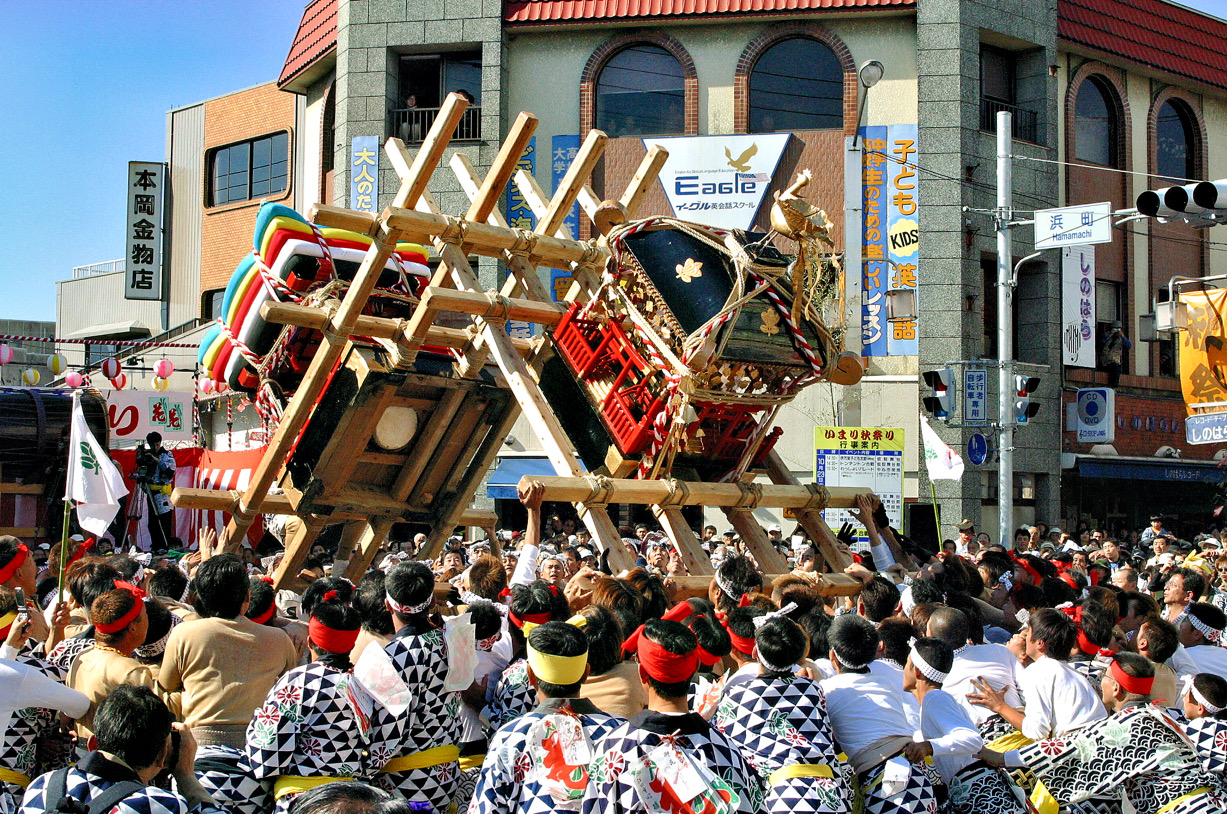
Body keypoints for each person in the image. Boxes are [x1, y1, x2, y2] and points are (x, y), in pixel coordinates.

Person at [986, 653, 1227, 814]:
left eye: (1105, 677)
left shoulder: (1130, 723)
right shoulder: (1160, 714)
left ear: (1116, 688)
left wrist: (1003, 758)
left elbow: (1073, 748)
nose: (1100, 682)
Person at [470, 620, 623, 814]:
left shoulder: (511, 736)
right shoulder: (621, 735)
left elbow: (486, 808)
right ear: (586, 673)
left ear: (530, 675)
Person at [714, 614, 851, 814]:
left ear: (755, 652)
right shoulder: (813, 689)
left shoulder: (738, 695)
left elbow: (724, 742)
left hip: (782, 797)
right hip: (830, 795)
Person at [245, 594, 366, 814]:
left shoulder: (299, 681)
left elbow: (266, 756)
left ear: (310, 641)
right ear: (352, 642)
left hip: (304, 801)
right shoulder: (366, 682)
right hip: (355, 801)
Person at [20, 685, 221, 814]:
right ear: (162, 756)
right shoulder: (158, 805)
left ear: (93, 744)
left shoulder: (42, 786)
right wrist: (186, 775)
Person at [366, 561, 460, 813]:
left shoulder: (391, 656)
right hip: (448, 773)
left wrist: (359, 773)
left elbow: (388, 732)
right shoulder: (453, 640)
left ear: (387, 604)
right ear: (431, 602)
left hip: (405, 779)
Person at [820, 615, 937, 814]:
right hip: (917, 775)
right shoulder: (886, 679)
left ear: (833, 656)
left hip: (882, 785)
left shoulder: (827, 690)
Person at [902, 638, 1028, 814]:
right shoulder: (935, 701)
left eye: (906, 664)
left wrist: (928, 747)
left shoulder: (935, 699)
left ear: (917, 671)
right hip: (976, 791)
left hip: (981, 793)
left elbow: (971, 740)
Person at [1, 595, 89, 814]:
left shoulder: (11, 667)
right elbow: (80, 704)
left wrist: (10, 648)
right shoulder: (20, 674)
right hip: (10, 788)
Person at [968, 608, 1105, 741]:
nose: (1025, 637)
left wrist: (1000, 706)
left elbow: (1037, 732)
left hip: (1078, 749)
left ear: (1040, 643)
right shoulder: (1072, 673)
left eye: (1028, 633)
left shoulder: (1039, 672)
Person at [68, 584, 161, 741]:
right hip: (116, 758)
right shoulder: (131, 671)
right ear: (132, 628)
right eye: (145, 614)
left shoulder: (82, 658)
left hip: (83, 754)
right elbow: (149, 728)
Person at [926, 607, 1024, 745]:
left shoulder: (935, 673)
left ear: (931, 638)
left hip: (986, 746)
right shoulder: (999, 650)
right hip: (1022, 729)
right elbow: (1026, 691)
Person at [1181, 672, 1227, 778]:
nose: (1183, 700)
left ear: (1200, 708)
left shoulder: (1195, 729)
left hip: (1213, 790)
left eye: (1186, 697)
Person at [139, 432, 177, 551]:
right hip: (151, 492)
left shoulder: (167, 454)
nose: (154, 447)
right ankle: (155, 545)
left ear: (159, 443)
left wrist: (156, 460)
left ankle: (164, 546)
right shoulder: (147, 453)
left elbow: (170, 470)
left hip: (162, 493)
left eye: (156, 444)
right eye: (152, 444)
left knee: (164, 520)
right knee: (152, 522)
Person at [1100, 320, 1132, 387]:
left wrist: (1122, 336)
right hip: (1105, 360)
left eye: (1118, 329)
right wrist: (1110, 335)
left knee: (1116, 369)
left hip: (1115, 360)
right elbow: (1101, 344)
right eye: (1115, 328)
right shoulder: (1106, 336)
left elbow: (1128, 346)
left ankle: (1114, 386)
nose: (1117, 331)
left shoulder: (1121, 339)